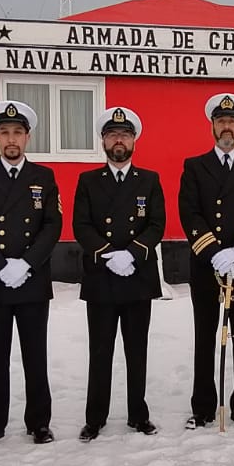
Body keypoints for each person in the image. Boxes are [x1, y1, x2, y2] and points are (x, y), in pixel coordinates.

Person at [0, 100, 63, 450]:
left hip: (31, 280)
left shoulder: (43, 177)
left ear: (28, 137)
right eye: (4, 132)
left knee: (36, 354)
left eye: (18, 132)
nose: (11, 139)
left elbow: (52, 225)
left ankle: (39, 422)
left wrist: (27, 263)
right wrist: (0, 265)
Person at [177, 93, 234, 432]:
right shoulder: (195, 166)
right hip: (206, 267)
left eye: (232, 122)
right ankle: (202, 408)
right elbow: (190, 213)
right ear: (212, 126)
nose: (226, 127)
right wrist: (215, 252)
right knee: (205, 336)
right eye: (221, 122)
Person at [73, 107, 166, 441]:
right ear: (103, 141)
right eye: (112, 135)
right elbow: (80, 225)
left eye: (124, 135)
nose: (118, 140)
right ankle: (95, 417)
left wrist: (133, 253)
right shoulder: (87, 181)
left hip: (137, 276)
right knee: (100, 351)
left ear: (134, 141)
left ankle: (138, 414)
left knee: (136, 350)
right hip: (102, 275)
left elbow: (157, 224)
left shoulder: (150, 180)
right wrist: (108, 254)